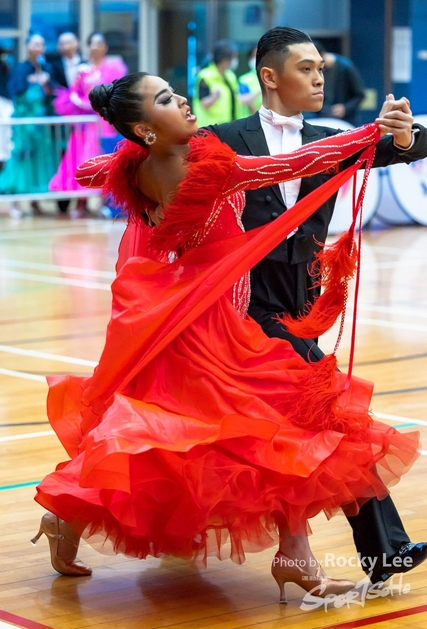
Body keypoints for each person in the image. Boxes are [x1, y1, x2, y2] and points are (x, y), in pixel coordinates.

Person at [31, 72, 421, 603]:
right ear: (145, 128)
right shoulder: (210, 170)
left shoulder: (142, 164)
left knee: (253, 434)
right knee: (272, 430)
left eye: (174, 91)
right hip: (205, 334)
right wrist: (370, 133)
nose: (182, 99)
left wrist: (129, 158)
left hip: (191, 321)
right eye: (165, 99)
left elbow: (87, 170)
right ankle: (67, 518)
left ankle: (294, 556)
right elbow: (296, 162)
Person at [206, 26, 427, 585]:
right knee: (332, 419)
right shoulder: (224, 138)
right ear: (269, 76)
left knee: (295, 429)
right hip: (245, 302)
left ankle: (316, 551)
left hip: (303, 303)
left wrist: (404, 136)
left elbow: (412, 148)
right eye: (305, 68)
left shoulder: (332, 142)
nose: (319, 78)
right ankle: (381, 549)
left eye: (321, 68)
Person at [49, 32, 127, 218]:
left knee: (106, 160)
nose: (95, 47)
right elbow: (75, 94)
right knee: (82, 161)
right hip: (86, 125)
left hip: (106, 123)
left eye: (99, 43)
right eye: (92, 43)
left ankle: (109, 203)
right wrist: (84, 104)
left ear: (105, 47)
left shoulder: (114, 68)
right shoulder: (83, 71)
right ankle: (81, 202)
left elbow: (119, 92)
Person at [0, 34, 57, 217]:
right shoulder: (20, 69)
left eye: (42, 44)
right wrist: (32, 86)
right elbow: (16, 93)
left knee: (38, 161)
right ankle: (15, 202)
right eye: (35, 44)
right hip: (24, 125)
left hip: (41, 126)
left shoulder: (47, 69)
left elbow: (53, 95)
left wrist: (46, 85)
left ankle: (35, 202)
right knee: (21, 158)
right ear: (27, 47)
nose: (39, 47)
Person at [47, 31, 83, 214]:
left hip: (83, 123)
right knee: (62, 158)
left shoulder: (85, 65)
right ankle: (63, 202)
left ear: (77, 43)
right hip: (61, 123)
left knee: (82, 158)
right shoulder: (52, 67)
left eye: (69, 42)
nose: (65, 46)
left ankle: (82, 202)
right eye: (61, 43)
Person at [312, 39, 365, 126]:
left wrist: (345, 108)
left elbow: (360, 95)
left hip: (345, 121)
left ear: (322, 55)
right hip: (322, 118)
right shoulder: (316, 70)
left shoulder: (345, 66)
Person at [192, 40, 243, 127]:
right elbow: (204, 104)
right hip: (211, 128)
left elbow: (236, 99)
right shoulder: (205, 76)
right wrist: (213, 97)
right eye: (234, 57)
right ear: (225, 59)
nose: (235, 61)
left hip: (229, 126)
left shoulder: (230, 76)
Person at [239, 45, 262, 116]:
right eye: (254, 56)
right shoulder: (244, 79)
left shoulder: (272, 77)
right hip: (249, 118)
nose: (256, 59)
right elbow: (246, 102)